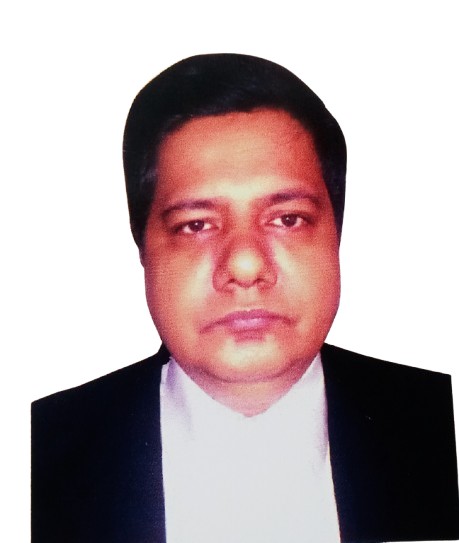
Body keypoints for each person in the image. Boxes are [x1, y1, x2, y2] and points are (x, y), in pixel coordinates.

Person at [31, 54, 459, 543]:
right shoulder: (32, 456)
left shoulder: (441, 426)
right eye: (196, 225)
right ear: (143, 247)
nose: (245, 267)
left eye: (288, 219)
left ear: (336, 235)